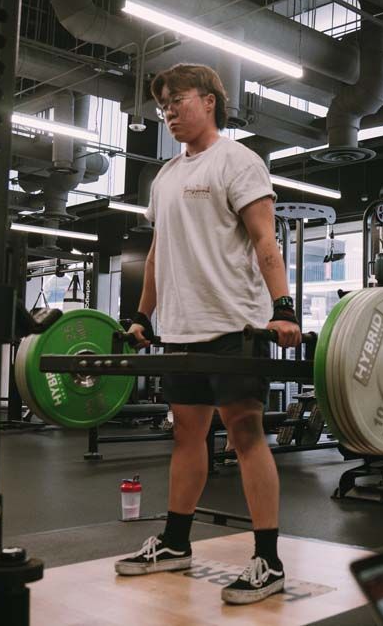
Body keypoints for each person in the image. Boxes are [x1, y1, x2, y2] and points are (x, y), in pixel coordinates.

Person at [113, 63, 300, 606]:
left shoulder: (238, 162)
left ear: (210, 100)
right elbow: (157, 255)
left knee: (245, 434)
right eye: (162, 106)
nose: (168, 112)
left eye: (177, 101)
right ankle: (175, 543)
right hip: (182, 328)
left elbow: (266, 240)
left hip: (236, 325)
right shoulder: (166, 176)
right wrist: (144, 316)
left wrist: (282, 307)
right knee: (186, 436)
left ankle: (268, 557)